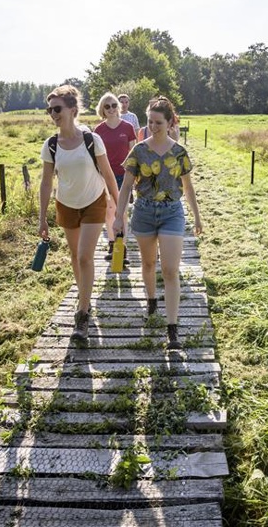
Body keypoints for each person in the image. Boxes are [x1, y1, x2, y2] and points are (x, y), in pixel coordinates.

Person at [113, 96, 202, 350]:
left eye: (158, 122)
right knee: (149, 263)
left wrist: (196, 215)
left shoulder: (179, 152)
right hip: (143, 212)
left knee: (171, 270)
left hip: (172, 212)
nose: (153, 127)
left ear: (170, 122)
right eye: (150, 122)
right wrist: (118, 217)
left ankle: (172, 328)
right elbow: (127, 185)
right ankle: (151, 299)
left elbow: (188, 187)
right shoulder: (139, 150)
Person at [39, 85, 120, 343]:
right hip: (66, 204)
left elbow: (108, 174)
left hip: (94, 201)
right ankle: (85, 297)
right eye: (50, 109)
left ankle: (82, 314)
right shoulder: (51, 145)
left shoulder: (91, 140)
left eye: (58, 108)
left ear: (73, 110)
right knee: (75, 256)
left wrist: (118, 208)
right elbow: (45, 182)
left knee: (85, 256)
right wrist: (42, 218)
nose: (53, 113)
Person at [93, 92, 136, 260]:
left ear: (118, 107)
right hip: (105, 176)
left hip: (124, 176)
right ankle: (112, 244)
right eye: (107, 106)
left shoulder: (127, 127)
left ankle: (122, 247)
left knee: (122, 211)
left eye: (114, 105)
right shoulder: (99, 130)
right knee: (109, 211)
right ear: (102, 110)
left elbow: (134, 152)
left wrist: (135, 175)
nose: (111, 109)